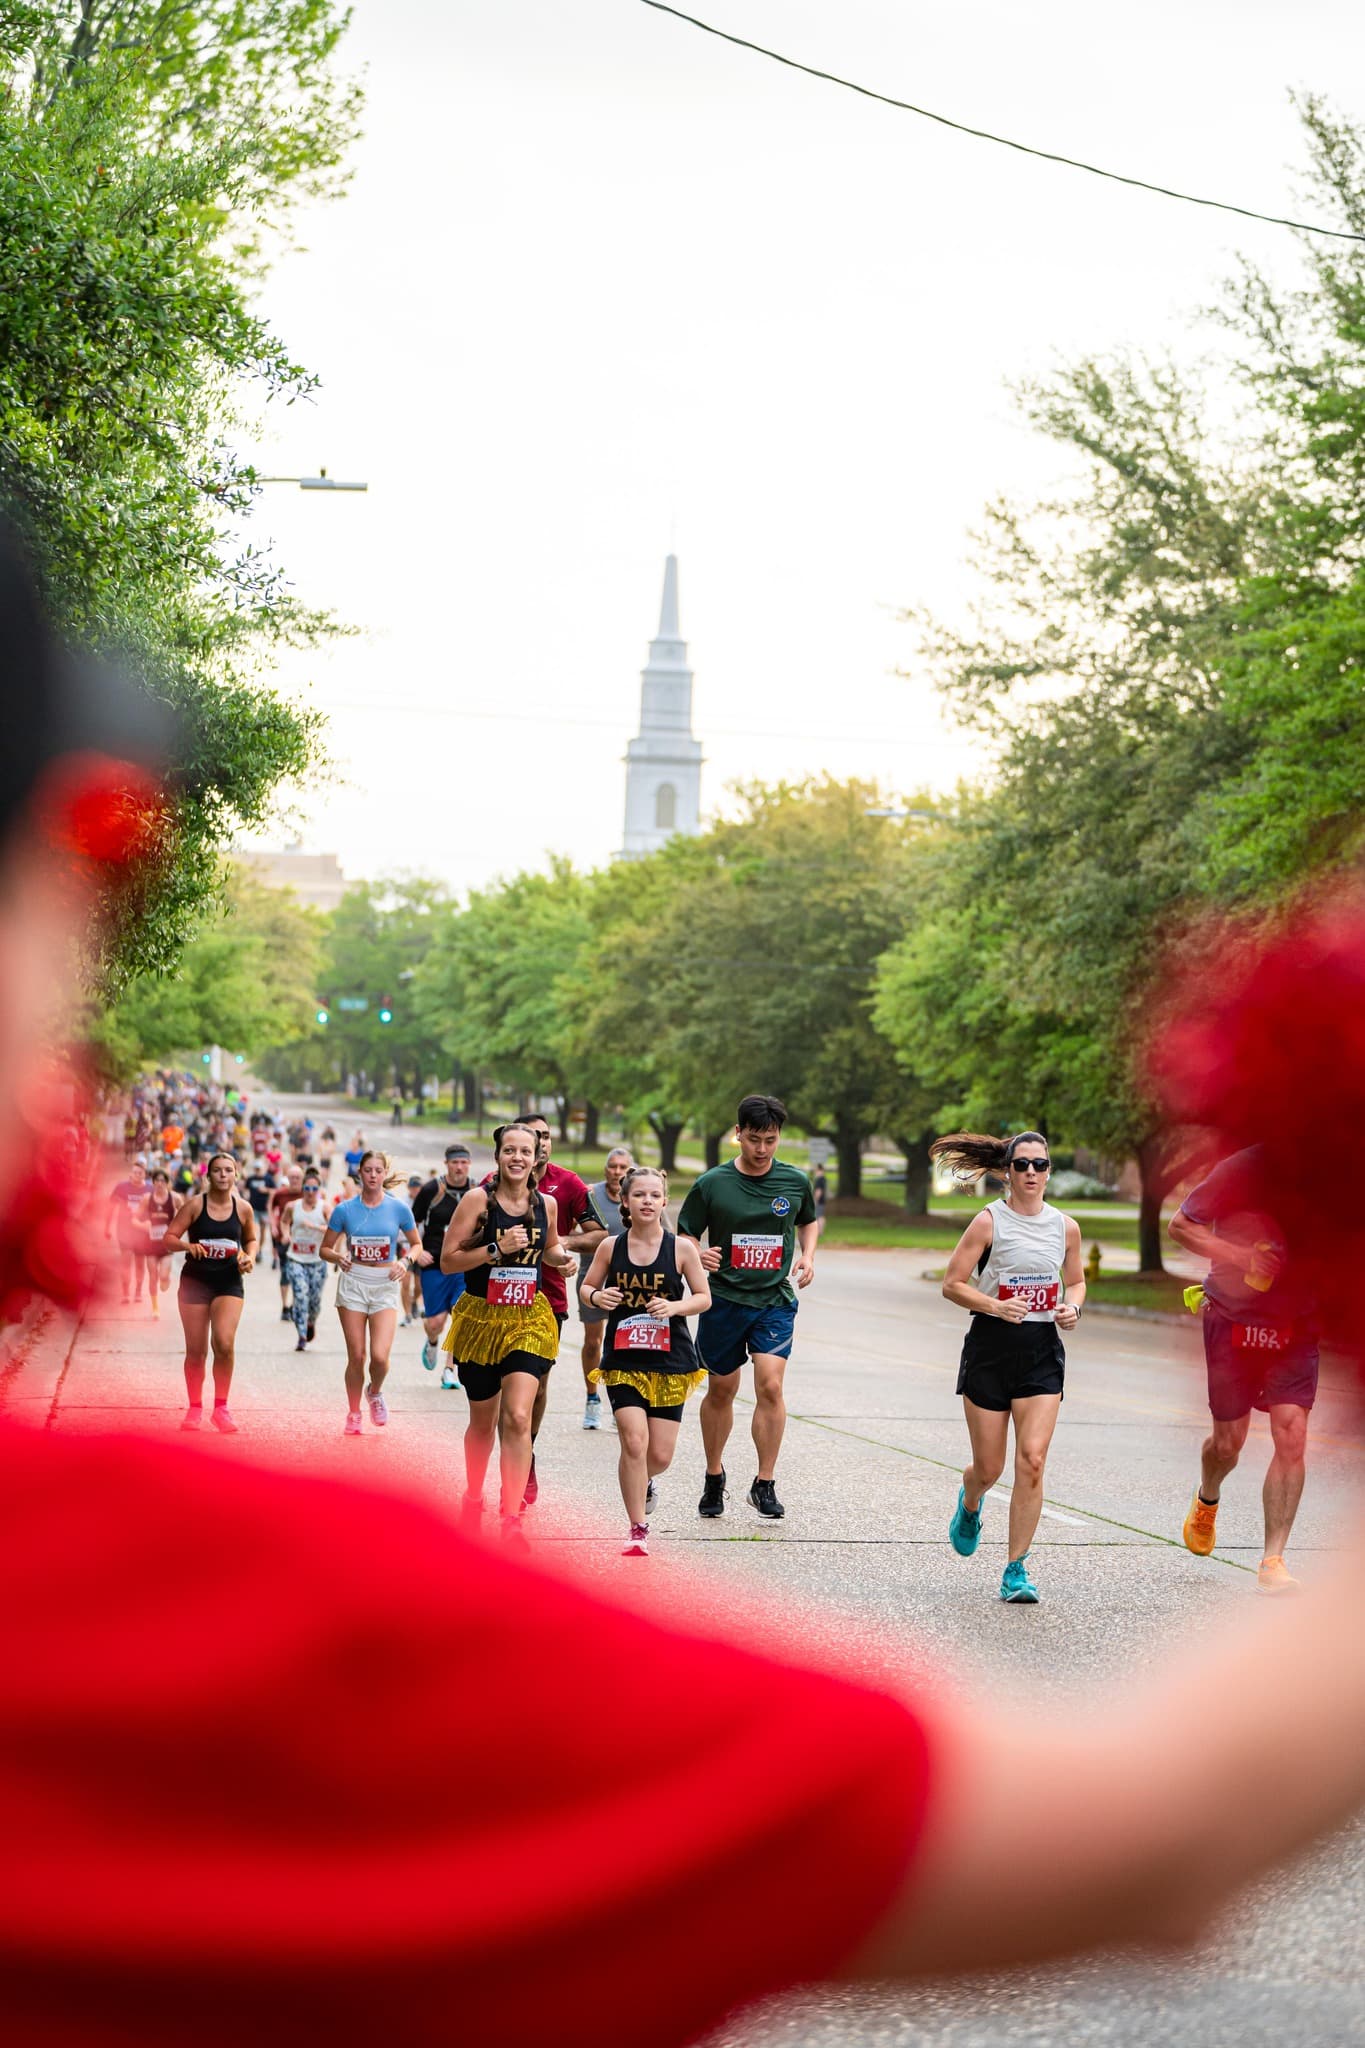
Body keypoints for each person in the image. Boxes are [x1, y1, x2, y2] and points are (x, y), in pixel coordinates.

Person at [8, 517, 1365, 2048]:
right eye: (107, 848)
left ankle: (751, 1489)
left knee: (697, 1413)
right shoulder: (217, 1602)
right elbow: (1141, 1831)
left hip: (768, 1337)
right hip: (582, 1341)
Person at [932, 1130, 1086, 1604]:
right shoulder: (988, 1223)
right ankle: (971, 1501)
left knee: (1033, 1461)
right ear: (1007, 1171)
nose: (1032, 1174)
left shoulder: (1066, 1227)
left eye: (1041, 1165)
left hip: (1041, 1349)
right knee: (990, 1466)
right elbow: (952, 1284)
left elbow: (1076, 1282)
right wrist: (995, 1306)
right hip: (990, 1350)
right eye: (1023, 1165)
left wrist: (1072, 1309)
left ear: (1048, 1171)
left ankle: (1016, 1568)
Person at [1169, 1144, 1317, 1593]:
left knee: (1292, 1433)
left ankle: (1273, 1559)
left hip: (1295, 1325)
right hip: (1234, 1319)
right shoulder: (1242, 1169)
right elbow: (1181, 1226)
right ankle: (1207, 1497)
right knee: (1229, 1442)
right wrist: (1239, 1256)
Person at [677, 1093, 818, 1521]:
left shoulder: (794, 1182)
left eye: (770, 1140)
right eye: (754, 1139)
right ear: (737, 1134)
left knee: (771, 1386)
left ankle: (764, 1482)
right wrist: (698, 1255)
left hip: (773, 1300)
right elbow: (684, 1236)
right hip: (723, 1300)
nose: (761, 1149)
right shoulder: (712, 1184)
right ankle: (714, 1474)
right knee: (722, 1389)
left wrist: (807, 1256)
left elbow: (807, 1220)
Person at [439, 1121, 576, 1536]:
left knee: (517, 1416)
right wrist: (497, 1249)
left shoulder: (546, 1204)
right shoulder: (478, 1201)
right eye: (510, 1150)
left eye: (526, 1151)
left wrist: (560, 1259)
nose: (518, 1158)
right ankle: (473, 1495)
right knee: (483, 1422)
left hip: (528, 1318)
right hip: (481, 1318)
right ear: (498, 1156)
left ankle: (511, 1516)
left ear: (537, 1157)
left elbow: (549, 1247)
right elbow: (448, 1260)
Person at [579, 1166, 710, 1554]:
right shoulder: (610, 1247)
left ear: (665, 1201)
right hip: (623, 1359)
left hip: (671, 1359)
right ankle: (637, 1527)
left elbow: (703, 1297)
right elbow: (588, 1286)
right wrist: (596, 1298)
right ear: (625, 1201)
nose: (647, 1201)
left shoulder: (681, 1249)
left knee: (658, 1455)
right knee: (633, 1442)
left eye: (655, 1195)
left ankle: (643, 1479)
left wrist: (674, 1306)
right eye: (640, 1195)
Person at [512, 1112, 598, 1504]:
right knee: (503, 1392)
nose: (541, 1143)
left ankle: (524, 1453)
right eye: (533, 1137)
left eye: (545, 1136)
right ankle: (512, 1453)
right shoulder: (492, 1185)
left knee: (538, 1385)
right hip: (499, 1300)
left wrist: (559, 1241)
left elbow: (597, 1232)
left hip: (547, 1299)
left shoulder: (567, 1184)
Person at [319, 1151, 419, 1435]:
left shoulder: (398, 1209)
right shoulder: (344, 1210)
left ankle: (374, 1391)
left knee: (379, 1357)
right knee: (358, 1356)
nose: (373, 1175)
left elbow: (416, 1245)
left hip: (385, 1282)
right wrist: (338, 1258)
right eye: (368, 1170)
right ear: (360, 1173)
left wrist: (404, 1261)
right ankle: (353, 1413)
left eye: (378, 1170)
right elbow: (324, 1249)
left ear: (385, 1174)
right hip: (354, 1282)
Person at [161, 1152, 259, 1434]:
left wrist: (249, 1256)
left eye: (229, 1170)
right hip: (195, 1282)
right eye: (218, 1170)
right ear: (209, 1175)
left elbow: (251, 1239)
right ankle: (194, 1408)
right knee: (196, 1351)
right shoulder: (194, 1206)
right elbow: (169, 1238)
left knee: (225, 1343)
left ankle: (221, 1408)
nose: (223, 1175)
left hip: (229, 1281)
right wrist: (187, 1247)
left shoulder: (243, 1209)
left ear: (236, 1175)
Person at [576, 1144, 633, 1430]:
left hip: (629, 1282)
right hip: (593, 1277)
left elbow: (666, 1233)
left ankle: (620, 1402)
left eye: (623, 1168)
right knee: (593, 1341)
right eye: (613, 1166)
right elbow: (575, 1232)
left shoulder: (639, 1196)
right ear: (605, 1168)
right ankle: (591, 1398)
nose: (618, 1172)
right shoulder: (590, 1194)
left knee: (622, 1343)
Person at [411, 1142, 475, 1382]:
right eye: (455, 1163)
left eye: (463, 1162)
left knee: (461, 1316)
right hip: (434, 1263)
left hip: (464, 1265)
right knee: (436, 1321)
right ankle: (432, 1340)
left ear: (469, 1164)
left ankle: (450, 1368)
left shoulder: (477, 1191)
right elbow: (410, 1224)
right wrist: (417, 1251)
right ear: (446, 1164)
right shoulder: (431, 1190)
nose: (459, 1167)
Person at [281, 1173, 331, 1352]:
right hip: (296, 1258)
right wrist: (286, 1234)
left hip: (317, 1261)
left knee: (314, 1302)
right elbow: (285, 1222)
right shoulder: (292, 1206)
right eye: (307, 1188)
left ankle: (311, 1321)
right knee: (300, 1295)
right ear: (303, 1188)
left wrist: (315, 1227)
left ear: (319, 1190)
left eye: (314, 1189)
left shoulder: (324, 1207)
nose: (310, 1192)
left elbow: (334, 1229)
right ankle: (301, 1335)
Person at [104, 1156, 151, 1305]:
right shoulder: (121, 1188)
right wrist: (107, 1227)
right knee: (125, 1261)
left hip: (143, 1232)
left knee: (139, 1262)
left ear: (145, 1174)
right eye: (134, 1172)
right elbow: (110, 1208)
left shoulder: (150, 1189)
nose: (136, 1176)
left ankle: (137, 1290)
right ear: (130, 1173)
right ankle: (125, 1292)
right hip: (124, 1230)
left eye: (140, 1173)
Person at [135, 1167, 178, 1317]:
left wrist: (176, 1228)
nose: (159, 1183)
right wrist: (143, 1226)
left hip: (167, 1244)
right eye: (156, 1181)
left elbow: (186, 1216)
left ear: (167, 1183)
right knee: (153, 1275)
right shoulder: (147, 1198)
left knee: (163, 1276)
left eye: (162, 1180)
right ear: (153, 1183)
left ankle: (166, 1278)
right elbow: (134, 1219)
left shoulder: (175, 1198)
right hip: (151, 1243)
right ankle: (155, 1309)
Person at [266, 1164, 302, 1319]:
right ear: (287, 1177)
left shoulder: (307, 1193)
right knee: (286, 1272)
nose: (294, 1180)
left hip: (302, 1241)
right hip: (284, 1238)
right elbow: (270, 1207)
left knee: (299, 1274)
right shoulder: (280, 1193)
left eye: (297, 1177)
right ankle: (285, 1306)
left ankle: (295, 1305)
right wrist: (273, 1225)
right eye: (291, 1177)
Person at [401, 1174, 425, 1325]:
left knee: (419, 1286)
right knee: (405, 1282)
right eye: (413, 1187)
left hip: (421, 1248)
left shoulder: (427, 1202)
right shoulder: (403, 1203)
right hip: (404, 1246)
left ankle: (414, 1301)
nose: (416, 1190)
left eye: (418, 1187)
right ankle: (407, 1314)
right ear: (409, 1188)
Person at [811, 1161, 828, 1236]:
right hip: (823, 1200)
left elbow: (818, 1191)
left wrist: (815, 1200)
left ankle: (819, 1232)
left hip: (819, 1201)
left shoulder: (819, 1180)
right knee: (821, 1216)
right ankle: (821, 1231)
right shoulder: (823, 1179)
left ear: (819, 1169)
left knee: (818, 1216)